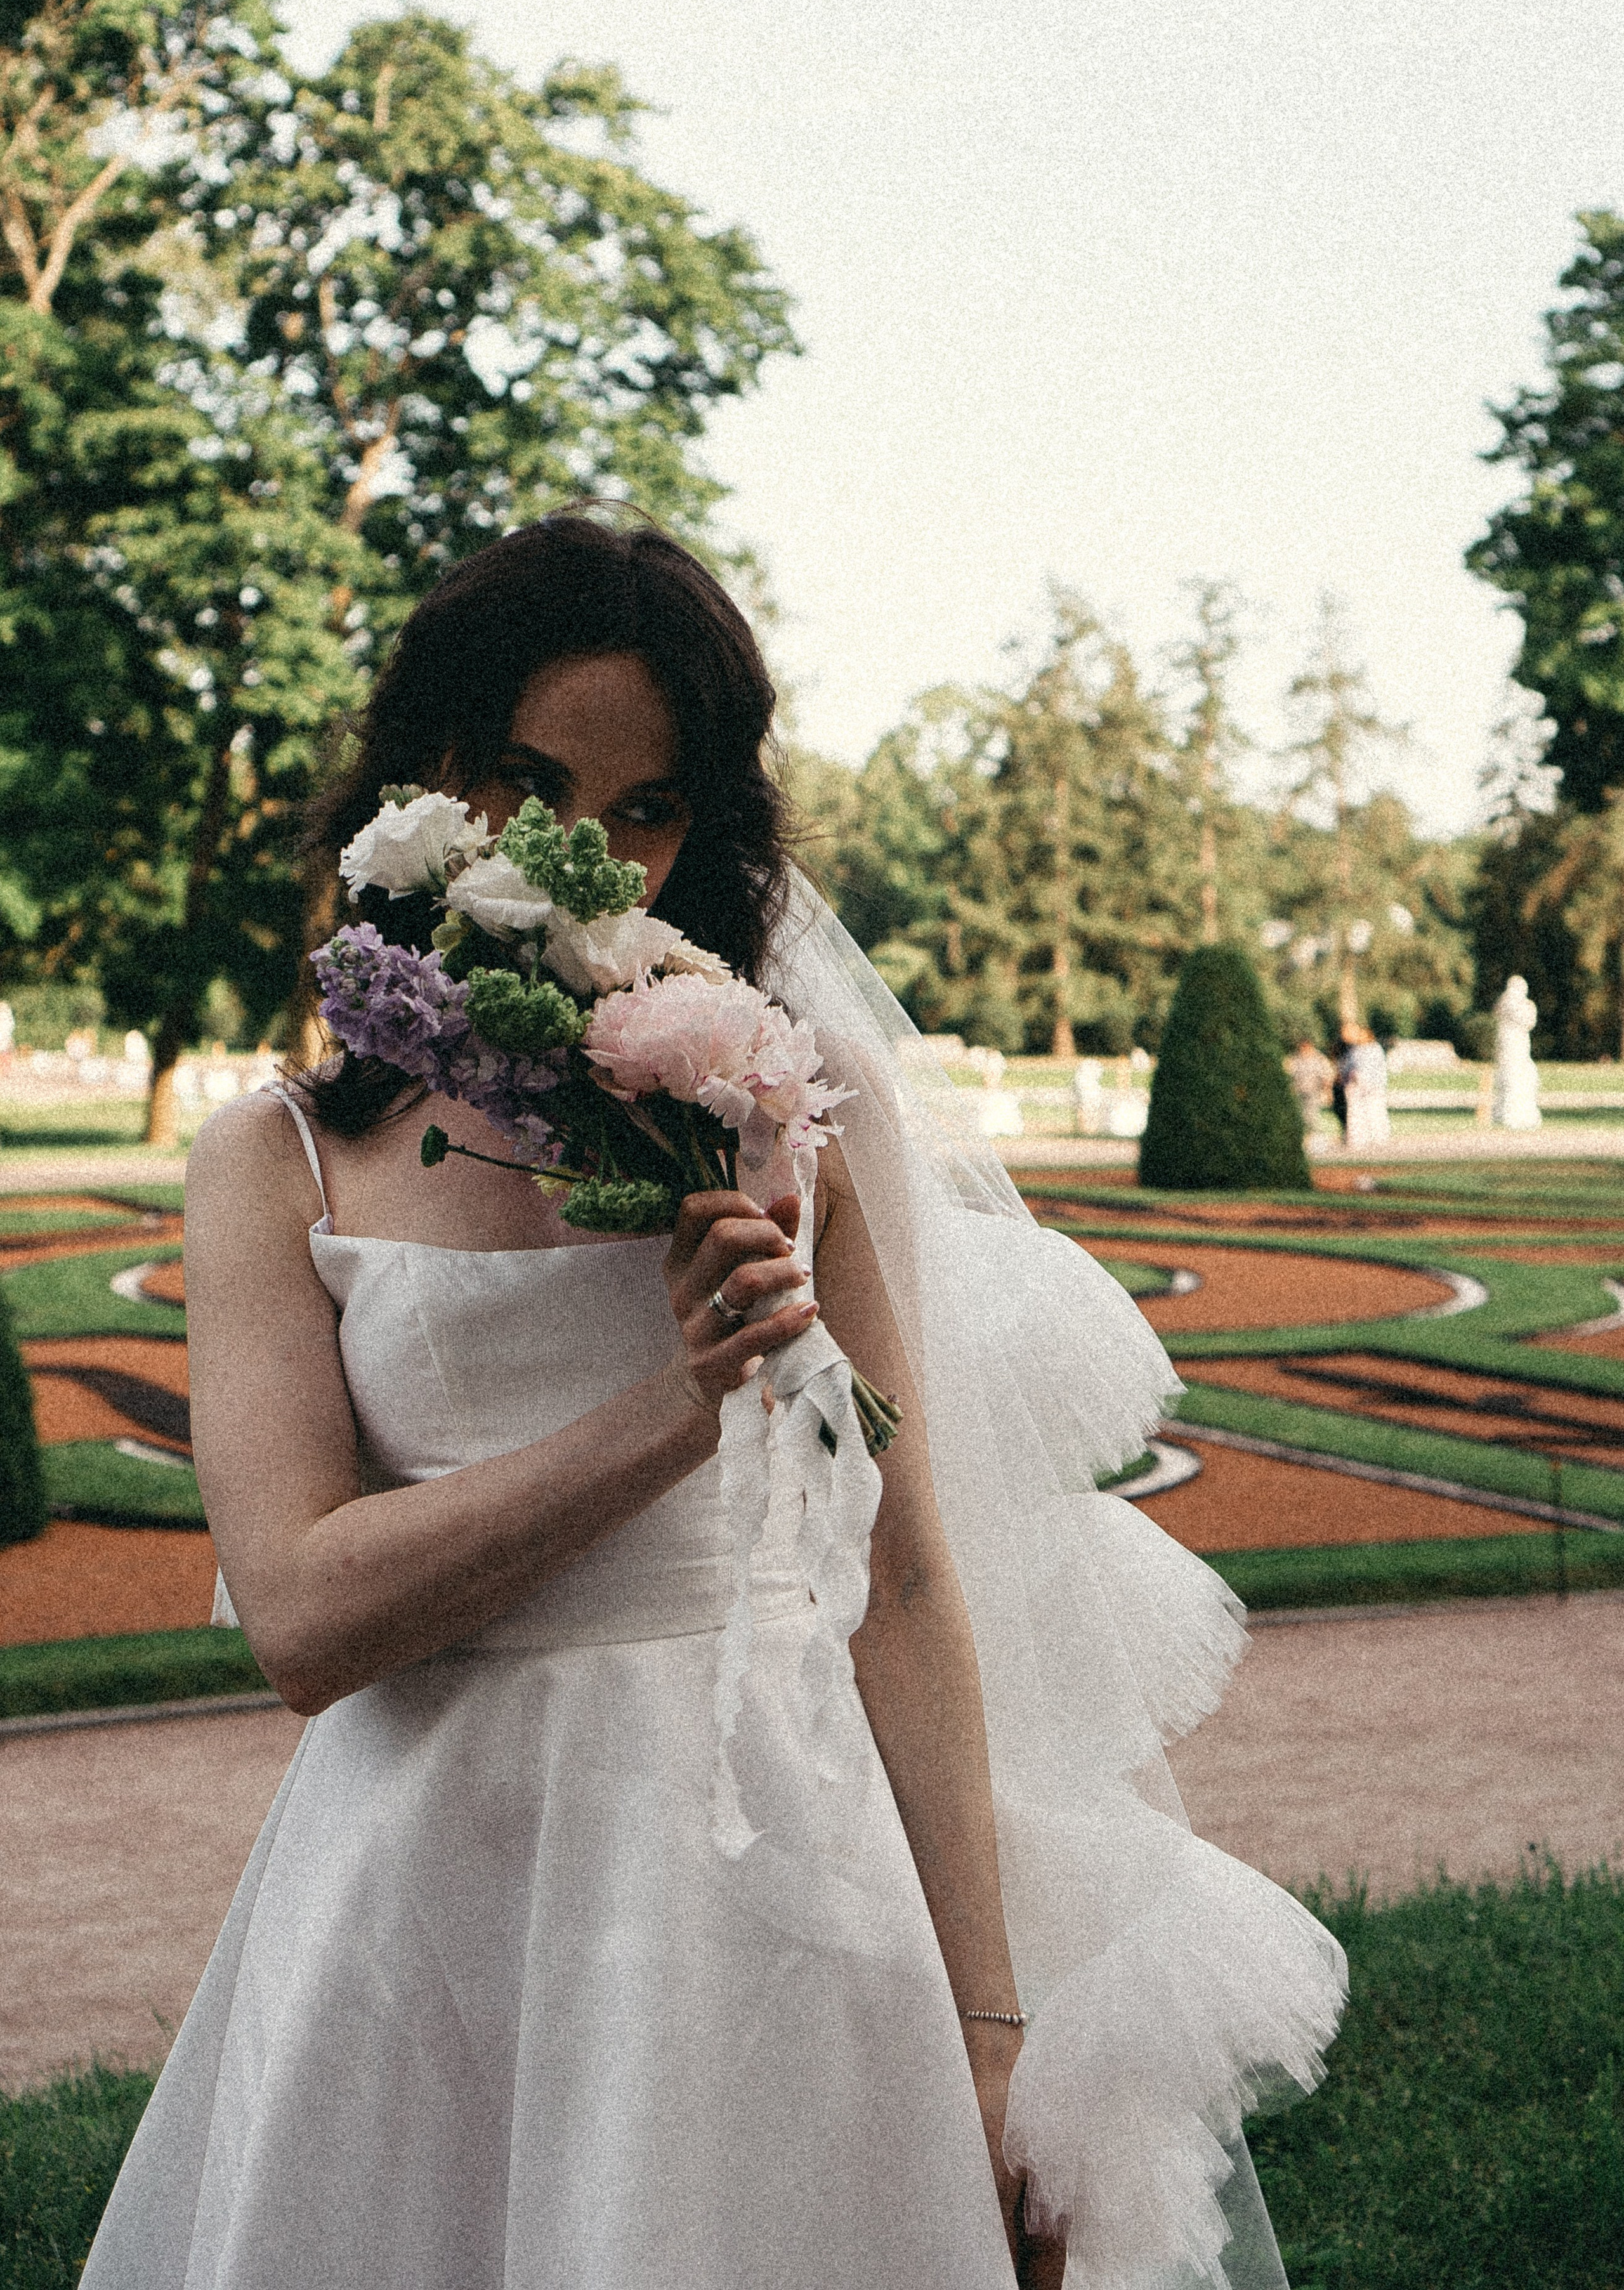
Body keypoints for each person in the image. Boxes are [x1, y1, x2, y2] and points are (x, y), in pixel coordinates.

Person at [83, 507, 1344, 2290]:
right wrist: (671, 1418)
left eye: (647, 811)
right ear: (431, 779)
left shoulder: (784, 1115)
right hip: (428, 1910)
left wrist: (995, 2039)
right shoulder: (275, 1160)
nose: (586, 858)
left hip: (773, 1876)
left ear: (709, 828)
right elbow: (299, 1621)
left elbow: (902, 1584)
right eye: (530, 784)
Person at [1338, 1023, 1391, 1148]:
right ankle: (1358, 1140)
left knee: (1375, 1111)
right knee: (1356, 1114)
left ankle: (1379, 1138)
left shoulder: (1374, 1049)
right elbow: (1347, 1068)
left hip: (1372, 1086)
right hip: (1356, 1087)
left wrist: (1361, 1078)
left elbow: (1375, 1070)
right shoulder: (1355, 1050)